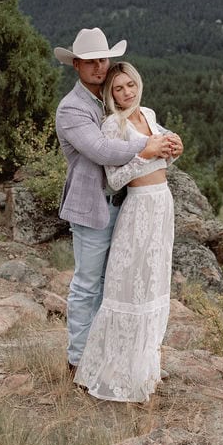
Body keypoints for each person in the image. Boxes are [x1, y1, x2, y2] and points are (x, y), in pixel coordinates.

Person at [54, 28, 178, 375]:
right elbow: (101, 150)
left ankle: (108, 357)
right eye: (91, 62)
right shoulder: (72, 108)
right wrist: (148, 147)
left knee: (117, 284)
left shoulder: (110, 100)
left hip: (129, 206)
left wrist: (167, 144)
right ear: (76, 65)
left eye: (103, 60)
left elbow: (143, 130)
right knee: (88, 284)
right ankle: (77, 360)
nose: (99, 67)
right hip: (93, 207)